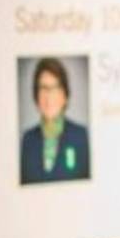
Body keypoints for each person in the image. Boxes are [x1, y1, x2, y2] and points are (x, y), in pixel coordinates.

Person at [20, 57, 90, 185]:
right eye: (43, 88)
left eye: (55, 88)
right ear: (36, 96)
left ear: (65, 96)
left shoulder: (81, 136)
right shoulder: (27, 140)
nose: (48, 96)